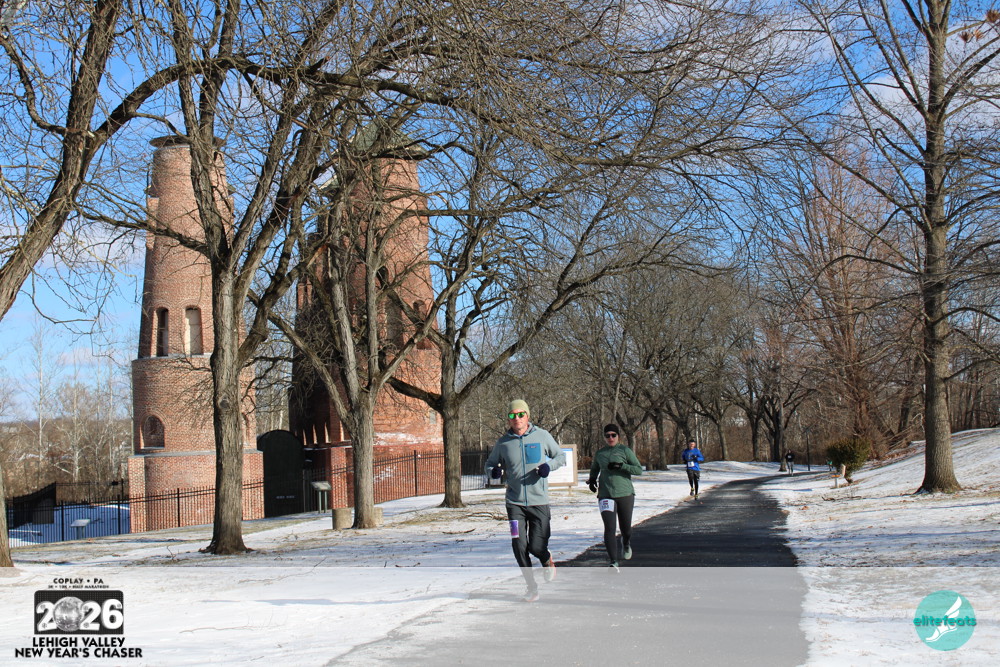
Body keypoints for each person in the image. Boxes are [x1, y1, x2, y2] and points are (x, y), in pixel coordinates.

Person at [485, 399, 566, 602]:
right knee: (519, 545)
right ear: (508, 419)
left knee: (536, 547)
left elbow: (560, 457)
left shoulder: (542, 436)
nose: (517, 418)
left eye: (521, 414)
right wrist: (493, 472)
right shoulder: (503, 443)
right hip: (515, 503)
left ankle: (546, 559)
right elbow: (490, 464)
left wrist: (548, 467)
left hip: (539, 501)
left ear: (527, 416)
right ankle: (531, 587)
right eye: (512, 415)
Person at [587, 423, 642, 571]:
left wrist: (622, 466)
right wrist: (592, 479)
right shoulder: (600, 453)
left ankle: (626, 542)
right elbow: (595, 468)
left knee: (626, 528)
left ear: (618, 436)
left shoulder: (625, 450)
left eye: (613, 435)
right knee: (609, 528)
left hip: (625, 494)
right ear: (604, 437)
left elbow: (638, 469)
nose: (610, 438)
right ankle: (613, 561)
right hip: (606, 494)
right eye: (607, 436)